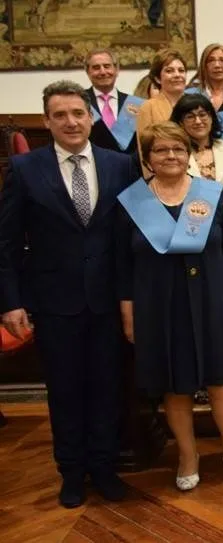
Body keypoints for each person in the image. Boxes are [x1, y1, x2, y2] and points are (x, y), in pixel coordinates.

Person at [0, 80, 135, 508]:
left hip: (109, 301)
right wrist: (10, 301)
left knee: (107, 388)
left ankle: (105, 467)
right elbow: (5, 242)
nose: (71, 122)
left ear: (91, 116)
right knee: (64, 391)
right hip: (54, 302)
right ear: (47, 121)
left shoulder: (119, 165)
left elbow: (130, 238)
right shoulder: (25, 169)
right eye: (60, 115)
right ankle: (72, 473)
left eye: (78, 113)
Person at [116, 121, 223, 489]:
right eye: (162, 150)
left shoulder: (210, 195)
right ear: (147, 158)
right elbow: (121, 262)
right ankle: (187, 456)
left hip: (212, 299)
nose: (171, 156)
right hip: (158, 303)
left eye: (178, 149)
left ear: (189, 155)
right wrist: (128, 310)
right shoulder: (133, 202)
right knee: (175, 385)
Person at [170, 93, 223, 196]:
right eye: (190, 117)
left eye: (202, 114)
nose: (198, 121)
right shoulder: (173, 154)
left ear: (212, 118)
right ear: (180, 122)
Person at [84, 48, 142, 162]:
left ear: (117, 69)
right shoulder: (80, 101)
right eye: (96, 67)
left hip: (129, 168)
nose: (102, 72)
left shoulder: (135, 103)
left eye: (107, 66)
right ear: (88, 72)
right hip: (93, 165)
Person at [136, 49, 188, 168]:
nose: (177, 75)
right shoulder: (148, 107)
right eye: (169, 71)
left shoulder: (195, 104)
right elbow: (143, 151)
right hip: (163, 172)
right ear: (158, 78)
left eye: (181, 70)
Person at [189, 43, 223, 111]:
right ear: (204, 65)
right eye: (211, 60)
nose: (217, 65)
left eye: (222, 60)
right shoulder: (191, 94)